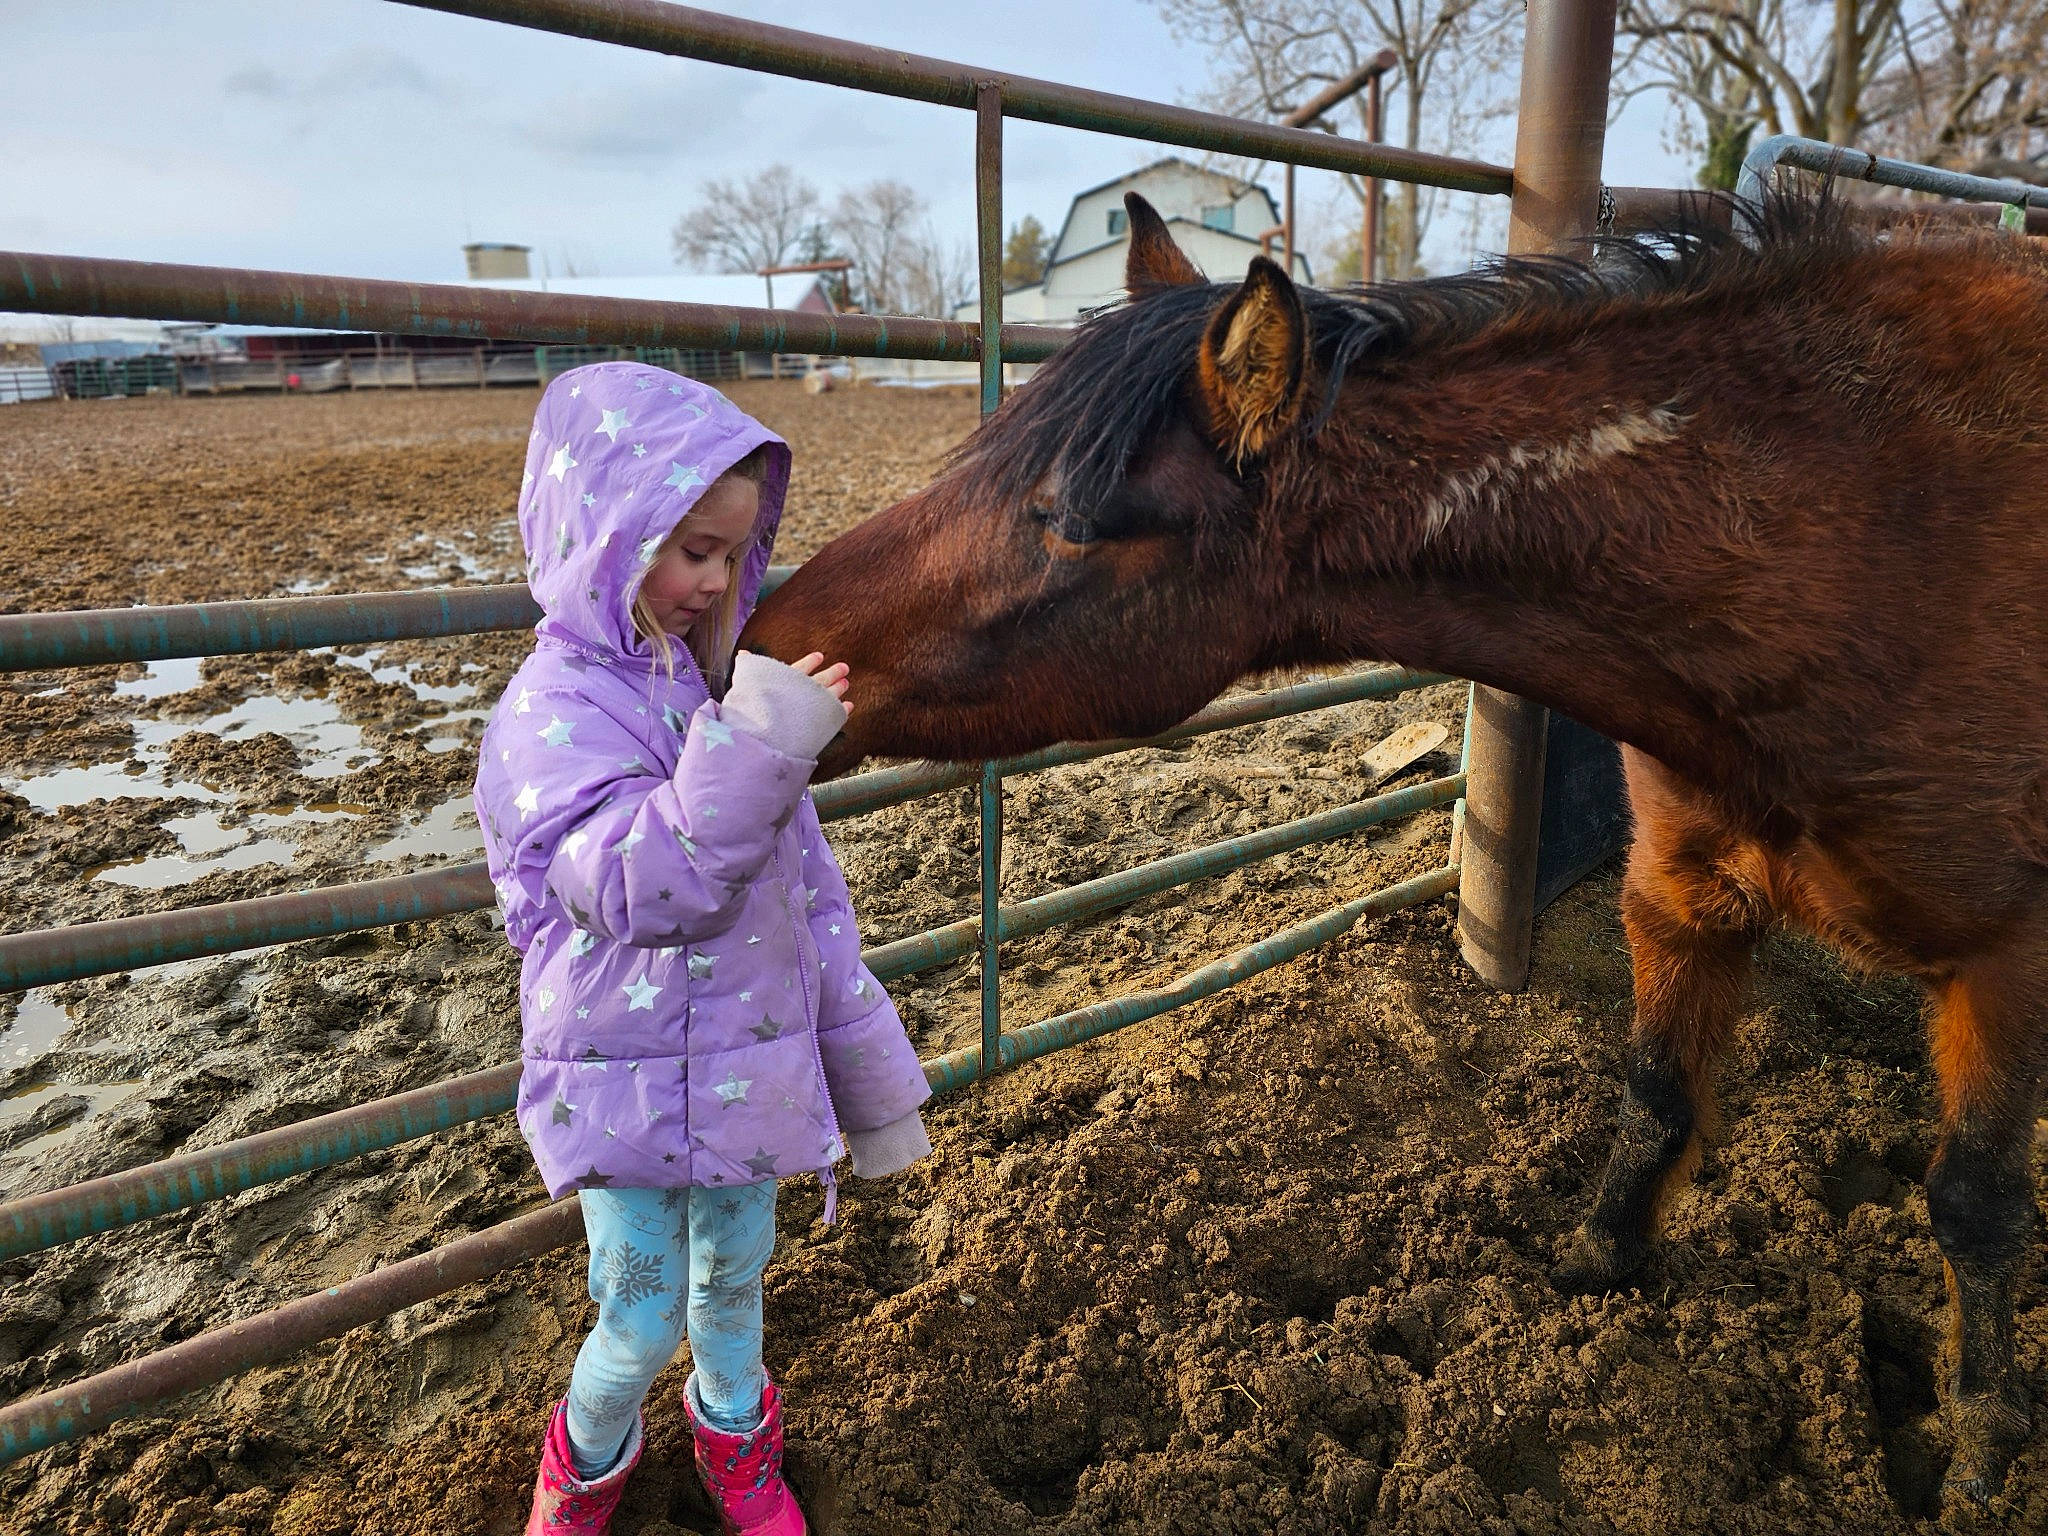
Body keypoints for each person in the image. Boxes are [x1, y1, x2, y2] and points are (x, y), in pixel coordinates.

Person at [474, 362, 933, 1536]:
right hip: (622, 1081)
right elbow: (639, 882)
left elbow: (804, 892)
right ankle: (581, 1472)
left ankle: (738, 1452)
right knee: (636, 1317)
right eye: (690, 550)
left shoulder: (701, 683)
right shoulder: (546, 716)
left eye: (732, 553)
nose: (717, 582)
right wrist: (758, 742)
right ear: (605, 533)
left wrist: (853, 1054)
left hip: (740, 1062)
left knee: (733, 1288)